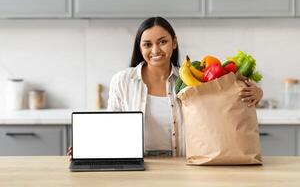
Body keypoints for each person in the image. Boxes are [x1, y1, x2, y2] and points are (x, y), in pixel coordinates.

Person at [67, 17, 263, 161]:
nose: (155, 50)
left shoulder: (191, 80)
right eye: (147, 44)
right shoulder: (122, 81)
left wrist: (257, 93)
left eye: (162, 42)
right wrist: (87, 148)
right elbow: (113, 128)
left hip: (184, 164)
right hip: (141, 166)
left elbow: (222, 102)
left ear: (174, 42)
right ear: (140, 47)